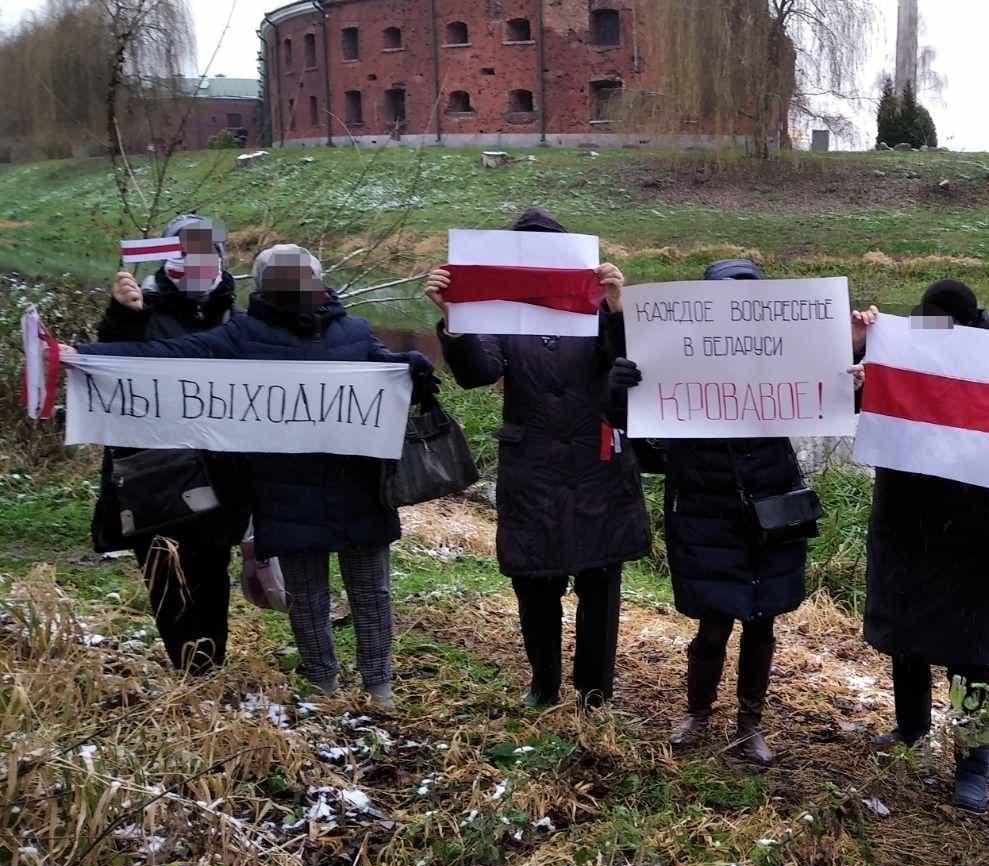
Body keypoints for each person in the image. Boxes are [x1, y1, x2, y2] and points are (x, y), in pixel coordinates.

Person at [66, 243, 435, 712]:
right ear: (263, 287)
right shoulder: (241, 335)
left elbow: (383, 372)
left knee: (371, 591)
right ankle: (323, 687)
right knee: (306, 596)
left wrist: (410, 369)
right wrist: (81, 356)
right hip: (286, 491)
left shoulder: (356, 331)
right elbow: (164, 357)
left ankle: (379, 688)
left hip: (357, 487)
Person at [425, 207, 651, 710]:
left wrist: (618, 307)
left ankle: (595, 694)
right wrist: (454, 319)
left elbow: (632, 363)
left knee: (600, 582)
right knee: (534, 580)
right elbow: (478, 373)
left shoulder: (595, 306)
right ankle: (543, 685)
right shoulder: (497, 311)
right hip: (532, 466)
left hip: (597, 465)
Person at [611, 258, 815, 765]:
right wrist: (620, 385)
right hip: (704, 504)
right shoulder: (676, 353)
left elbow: (831, 397)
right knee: (714, 620)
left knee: (762, 620)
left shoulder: (784, 352)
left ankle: (750, 724)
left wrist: (852, 356)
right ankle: (697, 713)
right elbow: (629, 423)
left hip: (770, 502)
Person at [91, 212, 250, 675]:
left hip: (220, 471)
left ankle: (209, 667)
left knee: (211, 570)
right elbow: (110, 364)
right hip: (153, 473)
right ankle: (189, 669)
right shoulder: (140, 308)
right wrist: (123, 314)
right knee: (164, 569)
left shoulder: (238, 318)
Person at [852, 279, 989, 812]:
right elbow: (865, 407)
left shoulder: (982, 352)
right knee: (906, 629)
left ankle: (974, 762)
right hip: (907, 520)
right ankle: (911, 728)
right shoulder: (906, 343)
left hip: (974, 533)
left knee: (973, 653)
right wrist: (863, 365)